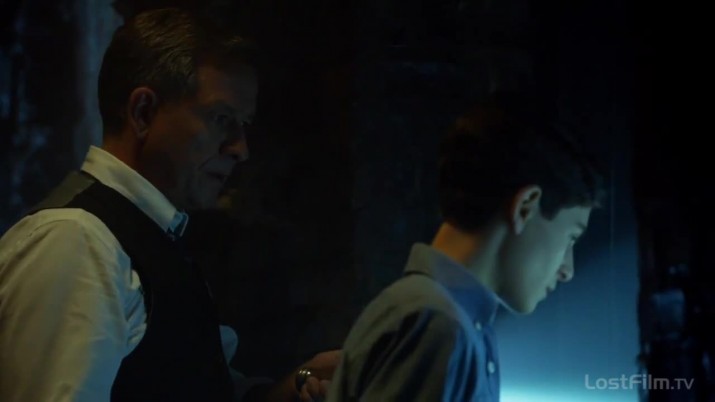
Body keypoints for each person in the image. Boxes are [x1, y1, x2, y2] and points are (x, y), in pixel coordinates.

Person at [0, 7, 338, 402]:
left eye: (243, 125)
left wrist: (293, 388)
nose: (240, 149)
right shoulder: (75, 243)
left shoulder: (147, 238)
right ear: (143, 113)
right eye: (221, 119)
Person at [326, 91, 606, 401]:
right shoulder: (438, 325)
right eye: (570, 238)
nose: (567, 270)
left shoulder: (446, 319)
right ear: (525, 207)